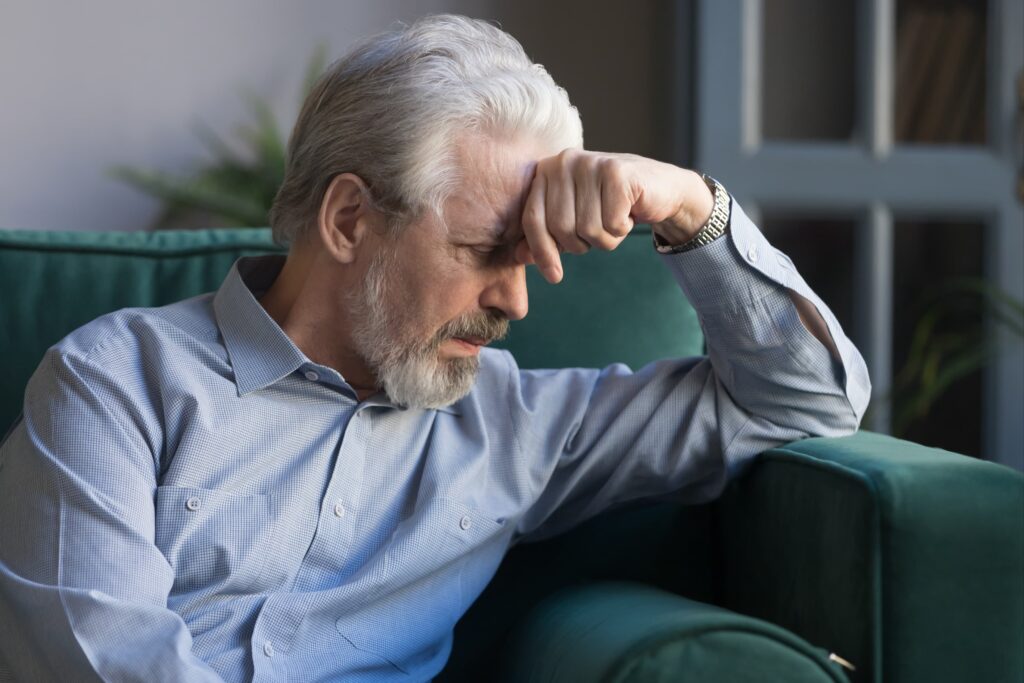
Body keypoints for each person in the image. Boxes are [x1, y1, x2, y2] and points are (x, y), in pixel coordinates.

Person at [0, 13, 870, 682]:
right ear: (348, 220)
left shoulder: (514, 425)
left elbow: (806, 399)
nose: (516, 300)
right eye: (489, 250)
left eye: (532, 259)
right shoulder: (110, 385)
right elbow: (105, 661)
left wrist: (690, 205)